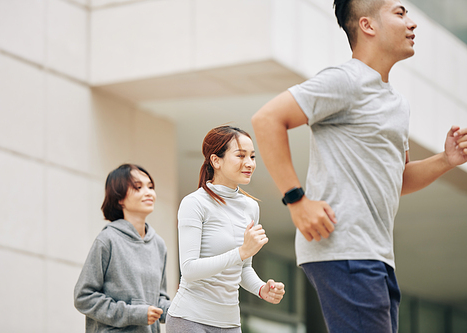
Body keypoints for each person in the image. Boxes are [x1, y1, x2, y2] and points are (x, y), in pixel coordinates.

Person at [251, 0, 467, 332]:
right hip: (343, 248)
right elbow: (267, 120)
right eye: (400, 12)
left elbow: (399, 179)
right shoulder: (347, 80)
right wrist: (296, 200)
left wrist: (445, 159)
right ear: (367, 25)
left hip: (376, 255)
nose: (412, 23)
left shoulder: (396, 103)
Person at [166, 125, 285, 332]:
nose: (249, 163)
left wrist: (261, 289)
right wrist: (241, 252)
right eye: (240, 156)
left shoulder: (251, 207)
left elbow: (243, 268)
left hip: (230, 324)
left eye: (252, 157)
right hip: (189, 320)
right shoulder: (194, 203)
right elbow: (189, 269)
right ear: (216, 160)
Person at [74, 164, 171, 333]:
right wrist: (133, 314)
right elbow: (84, 297)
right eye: (138, 187)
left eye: (150, 187)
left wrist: (182, 310)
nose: (148, 192)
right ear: (119, 198)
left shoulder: (159, 245)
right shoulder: (108, 240)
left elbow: (159, 300)